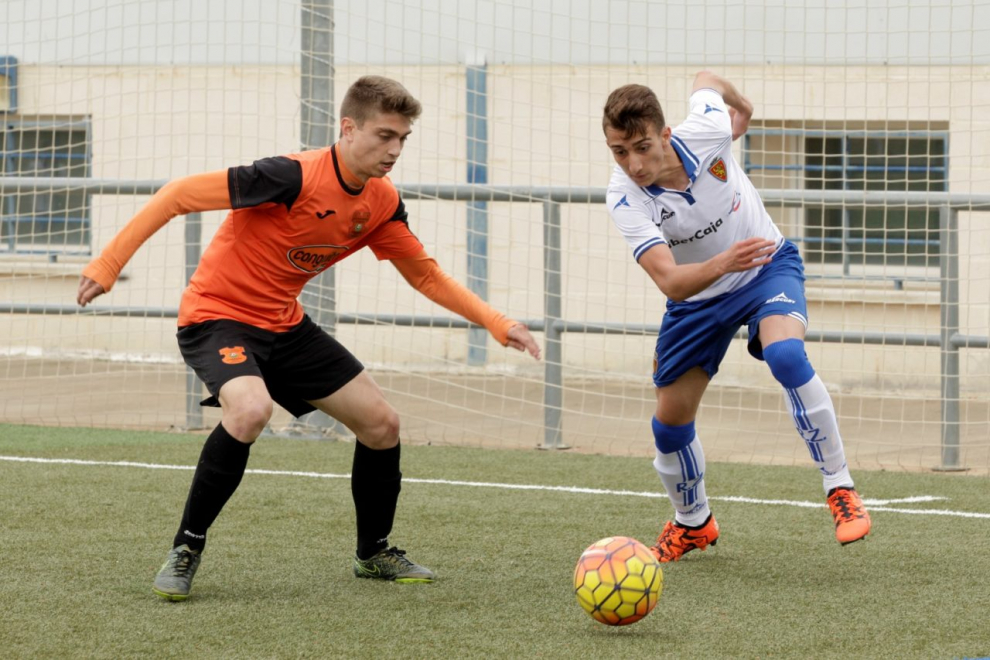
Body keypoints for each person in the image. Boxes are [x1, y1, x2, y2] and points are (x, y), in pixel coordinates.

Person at [77, 75, 542, 599]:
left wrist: (498, 323)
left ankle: (373, 553)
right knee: (251, 411)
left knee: (382, 424)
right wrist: (108, 264)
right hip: (218, 317)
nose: (395, 149)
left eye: (403, 139)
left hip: (285, 326)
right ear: (348, 128)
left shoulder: (381, 202)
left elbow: (426, 276)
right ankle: (186, 547)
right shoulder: (288, 176)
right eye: (385, 135)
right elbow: (177, 195)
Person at [601, 71, 871, 563]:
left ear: (666, 134)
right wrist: (724, 261)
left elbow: (707, 79)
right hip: (698, 296)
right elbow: (671, 282)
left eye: (642, 146)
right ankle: (693, 522)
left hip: (765, 266)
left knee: (785, 354)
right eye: (620, 151)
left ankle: (840, 489)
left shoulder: (705, 128)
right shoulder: (624, 198)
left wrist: (740, 109)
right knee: (669, 424)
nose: (634, 163)